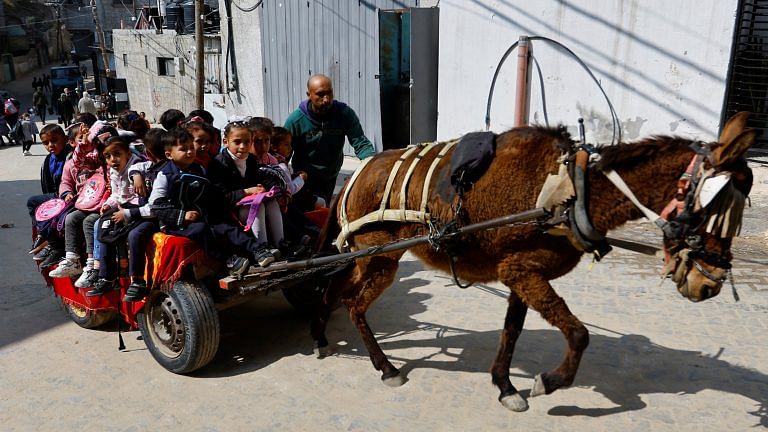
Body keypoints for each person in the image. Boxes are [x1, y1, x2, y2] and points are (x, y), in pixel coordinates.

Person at [149, 128, 267, 275]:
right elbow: (156, 205)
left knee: (225, 224)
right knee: (201, 230)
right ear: (169, 154)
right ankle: (228, 260)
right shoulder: (164, 175)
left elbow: (211, 193)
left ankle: (257, 250)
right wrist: (182, 215)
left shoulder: (198, 169)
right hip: (177, 223)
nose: (190, 152)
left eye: (191, 148)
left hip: (201, 214)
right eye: (183, 149)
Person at [284, 74, 375, 210]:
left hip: (330, 176)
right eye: (320, 94)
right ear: (309, 94)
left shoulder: (344, 114)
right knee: (308, 215)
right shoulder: (296, 121)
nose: (326, 100)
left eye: (329, 93)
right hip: (304, 179)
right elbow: (283, 154)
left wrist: (373, 163)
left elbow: (360, 142)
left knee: (323, 212)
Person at [207, 120, 282, 266]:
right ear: (226, 141)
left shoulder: (251, 160)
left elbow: (256, 181)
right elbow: (221, 198)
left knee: (272, 202)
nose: (243, 147)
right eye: (237, 142)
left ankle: (280, 243)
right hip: (229, 212)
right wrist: (247, 191)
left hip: (248, 204)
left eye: (247, 142)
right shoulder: (218, 164)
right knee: (256, 206)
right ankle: (262, 247)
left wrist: (263, 188)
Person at [83, 135, 143, 295]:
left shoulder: (137, 168)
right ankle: (107, 277)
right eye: (108, 156)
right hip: (122, 207)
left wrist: (126, 213)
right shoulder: (114, 170)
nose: (112, 160)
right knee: (103, 227)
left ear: (127, 154)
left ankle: (131, 276)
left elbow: (139, 197)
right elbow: (117, 194)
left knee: (115, 230)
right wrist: (108, 204)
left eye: (117, 154)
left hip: (137, 210)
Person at [48, 123, 110, 279]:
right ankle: (71, 260)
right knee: (70, 218)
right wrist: (67, 193)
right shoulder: (85, 161)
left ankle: (91, 265)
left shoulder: (112, 162)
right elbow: (76, 164)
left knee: (90, 222)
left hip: (105, 205)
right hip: (85, 201)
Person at [26, 124, 72, 266]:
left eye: (54, 141)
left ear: (64, 139)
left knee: (32, 201)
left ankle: (46, 238)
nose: (50, 145)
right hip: (54, 196)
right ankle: (45, 236)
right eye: (46, 143)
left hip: (67, 196)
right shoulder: (48, 160)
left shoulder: (71, 156)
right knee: (40, 206)